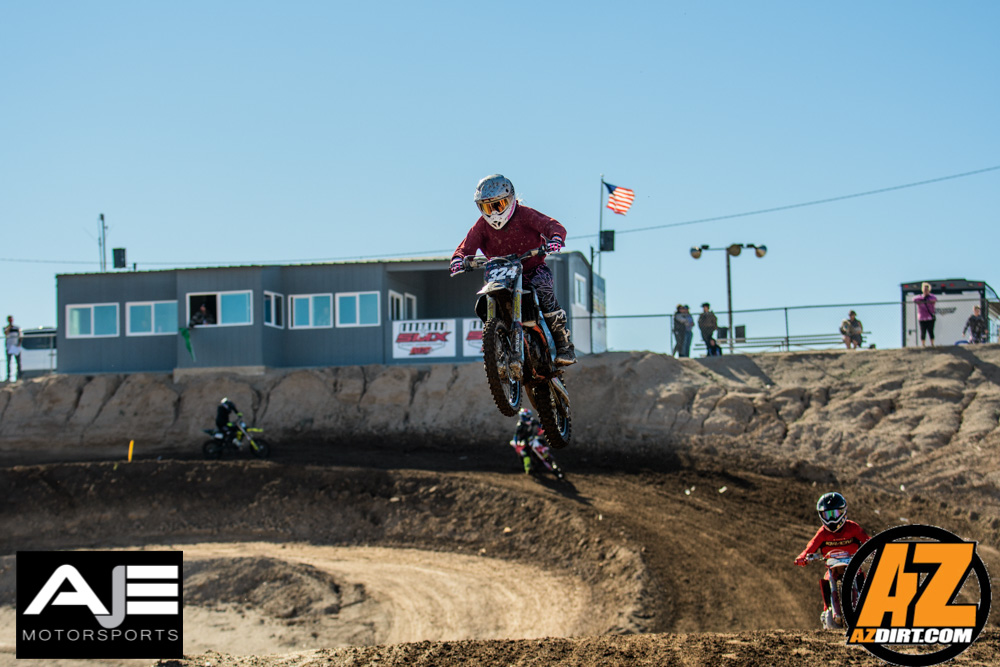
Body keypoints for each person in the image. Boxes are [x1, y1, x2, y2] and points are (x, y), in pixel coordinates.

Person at [451, 174, 575, 365]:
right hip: (501, 274)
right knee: (483, 303)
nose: (493, 213)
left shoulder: (524, 214)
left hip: (532, 269)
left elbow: (551, 225)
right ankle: (496, 339)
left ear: (510, 200)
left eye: (498, 205)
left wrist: (556, 238)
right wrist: (459, 259)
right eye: (487, 207)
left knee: (544, 290)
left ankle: (563, 346)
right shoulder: (481, 225)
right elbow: (466, 246)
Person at [794, 492, 870, 627]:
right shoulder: (823, 533)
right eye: (827, 515)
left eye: (834, 513)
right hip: (832, 568)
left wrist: (876, 549)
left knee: (864, 579)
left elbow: (868, 541)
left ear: (843, 512)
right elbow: (810, 547)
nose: (831, 518)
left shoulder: (852, 528)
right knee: (827, 578)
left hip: (853, 565)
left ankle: (869, 609)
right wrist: (802, 557)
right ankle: (827, 611)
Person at [510, 408, 564, 480]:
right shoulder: (520, 425)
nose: (527, 418)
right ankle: (528, 468)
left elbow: (540, 426)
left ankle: (547, 455)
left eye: (528, 416)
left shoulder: (533, 421)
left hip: (533, 438)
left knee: (542, 441)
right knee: (526, 453)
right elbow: (516, 435)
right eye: (526, 417)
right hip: (524, 441)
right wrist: (516, 442)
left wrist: (541, 430)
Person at [913, 282, 937, 347]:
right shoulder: (920, 297)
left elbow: (934, 299)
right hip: (922, 318)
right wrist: (922, 299)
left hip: (930, 317)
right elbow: (914, 299)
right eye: (924, 289)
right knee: (923, 331)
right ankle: (923, 344)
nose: (925, 291)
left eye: (927, 289)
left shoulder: (931, 297)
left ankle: (932, 344)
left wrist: (927, 299)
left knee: (930, 331)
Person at [4, 315, 22, 383]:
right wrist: (9, 326)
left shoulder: (17, 328)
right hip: (9, 348)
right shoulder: (6, 328)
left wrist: (19, 344)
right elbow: (6, 333)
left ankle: (19, 376)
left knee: (18, 362)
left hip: (16, 347)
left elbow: (20, 335)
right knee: (9, 363)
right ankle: (9, 377)